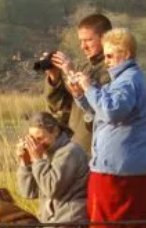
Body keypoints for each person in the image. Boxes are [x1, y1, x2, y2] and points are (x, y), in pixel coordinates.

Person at [66, 28, 146, 228]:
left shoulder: (128, 81)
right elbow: (99, 110)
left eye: (110, 56)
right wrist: (80, 95)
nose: (106, 61)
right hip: (124, 167)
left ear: (125, 54)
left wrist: (89, 87)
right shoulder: (124, 80)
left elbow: (112, 111)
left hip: (119, 172)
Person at [43, 13, 112, 155]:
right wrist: (54, 78)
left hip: (100, 147)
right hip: (76, 145)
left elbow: (102, 107)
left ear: (105, 38)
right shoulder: (82, 66)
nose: (83, 46)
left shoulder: (113, 68)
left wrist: (70, 72)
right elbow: (59, 106)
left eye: (89, 40)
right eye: (81, 41)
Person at [15, 111, 90, 228]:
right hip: (52, 224)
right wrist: (25, 163)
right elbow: (29, 192)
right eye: (33, 140)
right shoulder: (45, 154)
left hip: (71, 222)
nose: (37, 144)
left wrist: (37, 160)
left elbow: (51, 188)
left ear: (55, 131)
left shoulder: (70, 152)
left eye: (40, 138)